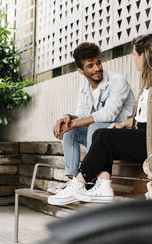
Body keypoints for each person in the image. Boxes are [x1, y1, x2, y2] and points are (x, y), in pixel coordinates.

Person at [48, 34, 152, 205]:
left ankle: (78, 184)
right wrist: (122, 124)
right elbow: (142, 118)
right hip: (143, 136)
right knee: (102, 133)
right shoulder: (148, 81)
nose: (133, 58)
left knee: (104, 136)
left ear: (144, 55)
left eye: (135, 54)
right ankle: (103, 185)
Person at [48, 42, 136, 194]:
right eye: (90, 66)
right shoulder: (85, 88)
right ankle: (72, 181)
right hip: (101, 136)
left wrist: (74, 123)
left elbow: (109, 114)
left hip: (122, 135)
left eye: (98, 63)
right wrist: (67, 118)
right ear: (81, 70)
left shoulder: (117, 81)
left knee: (94, 128)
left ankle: (90, 179)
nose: (97, 68)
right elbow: (82, 116)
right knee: (71, 132)